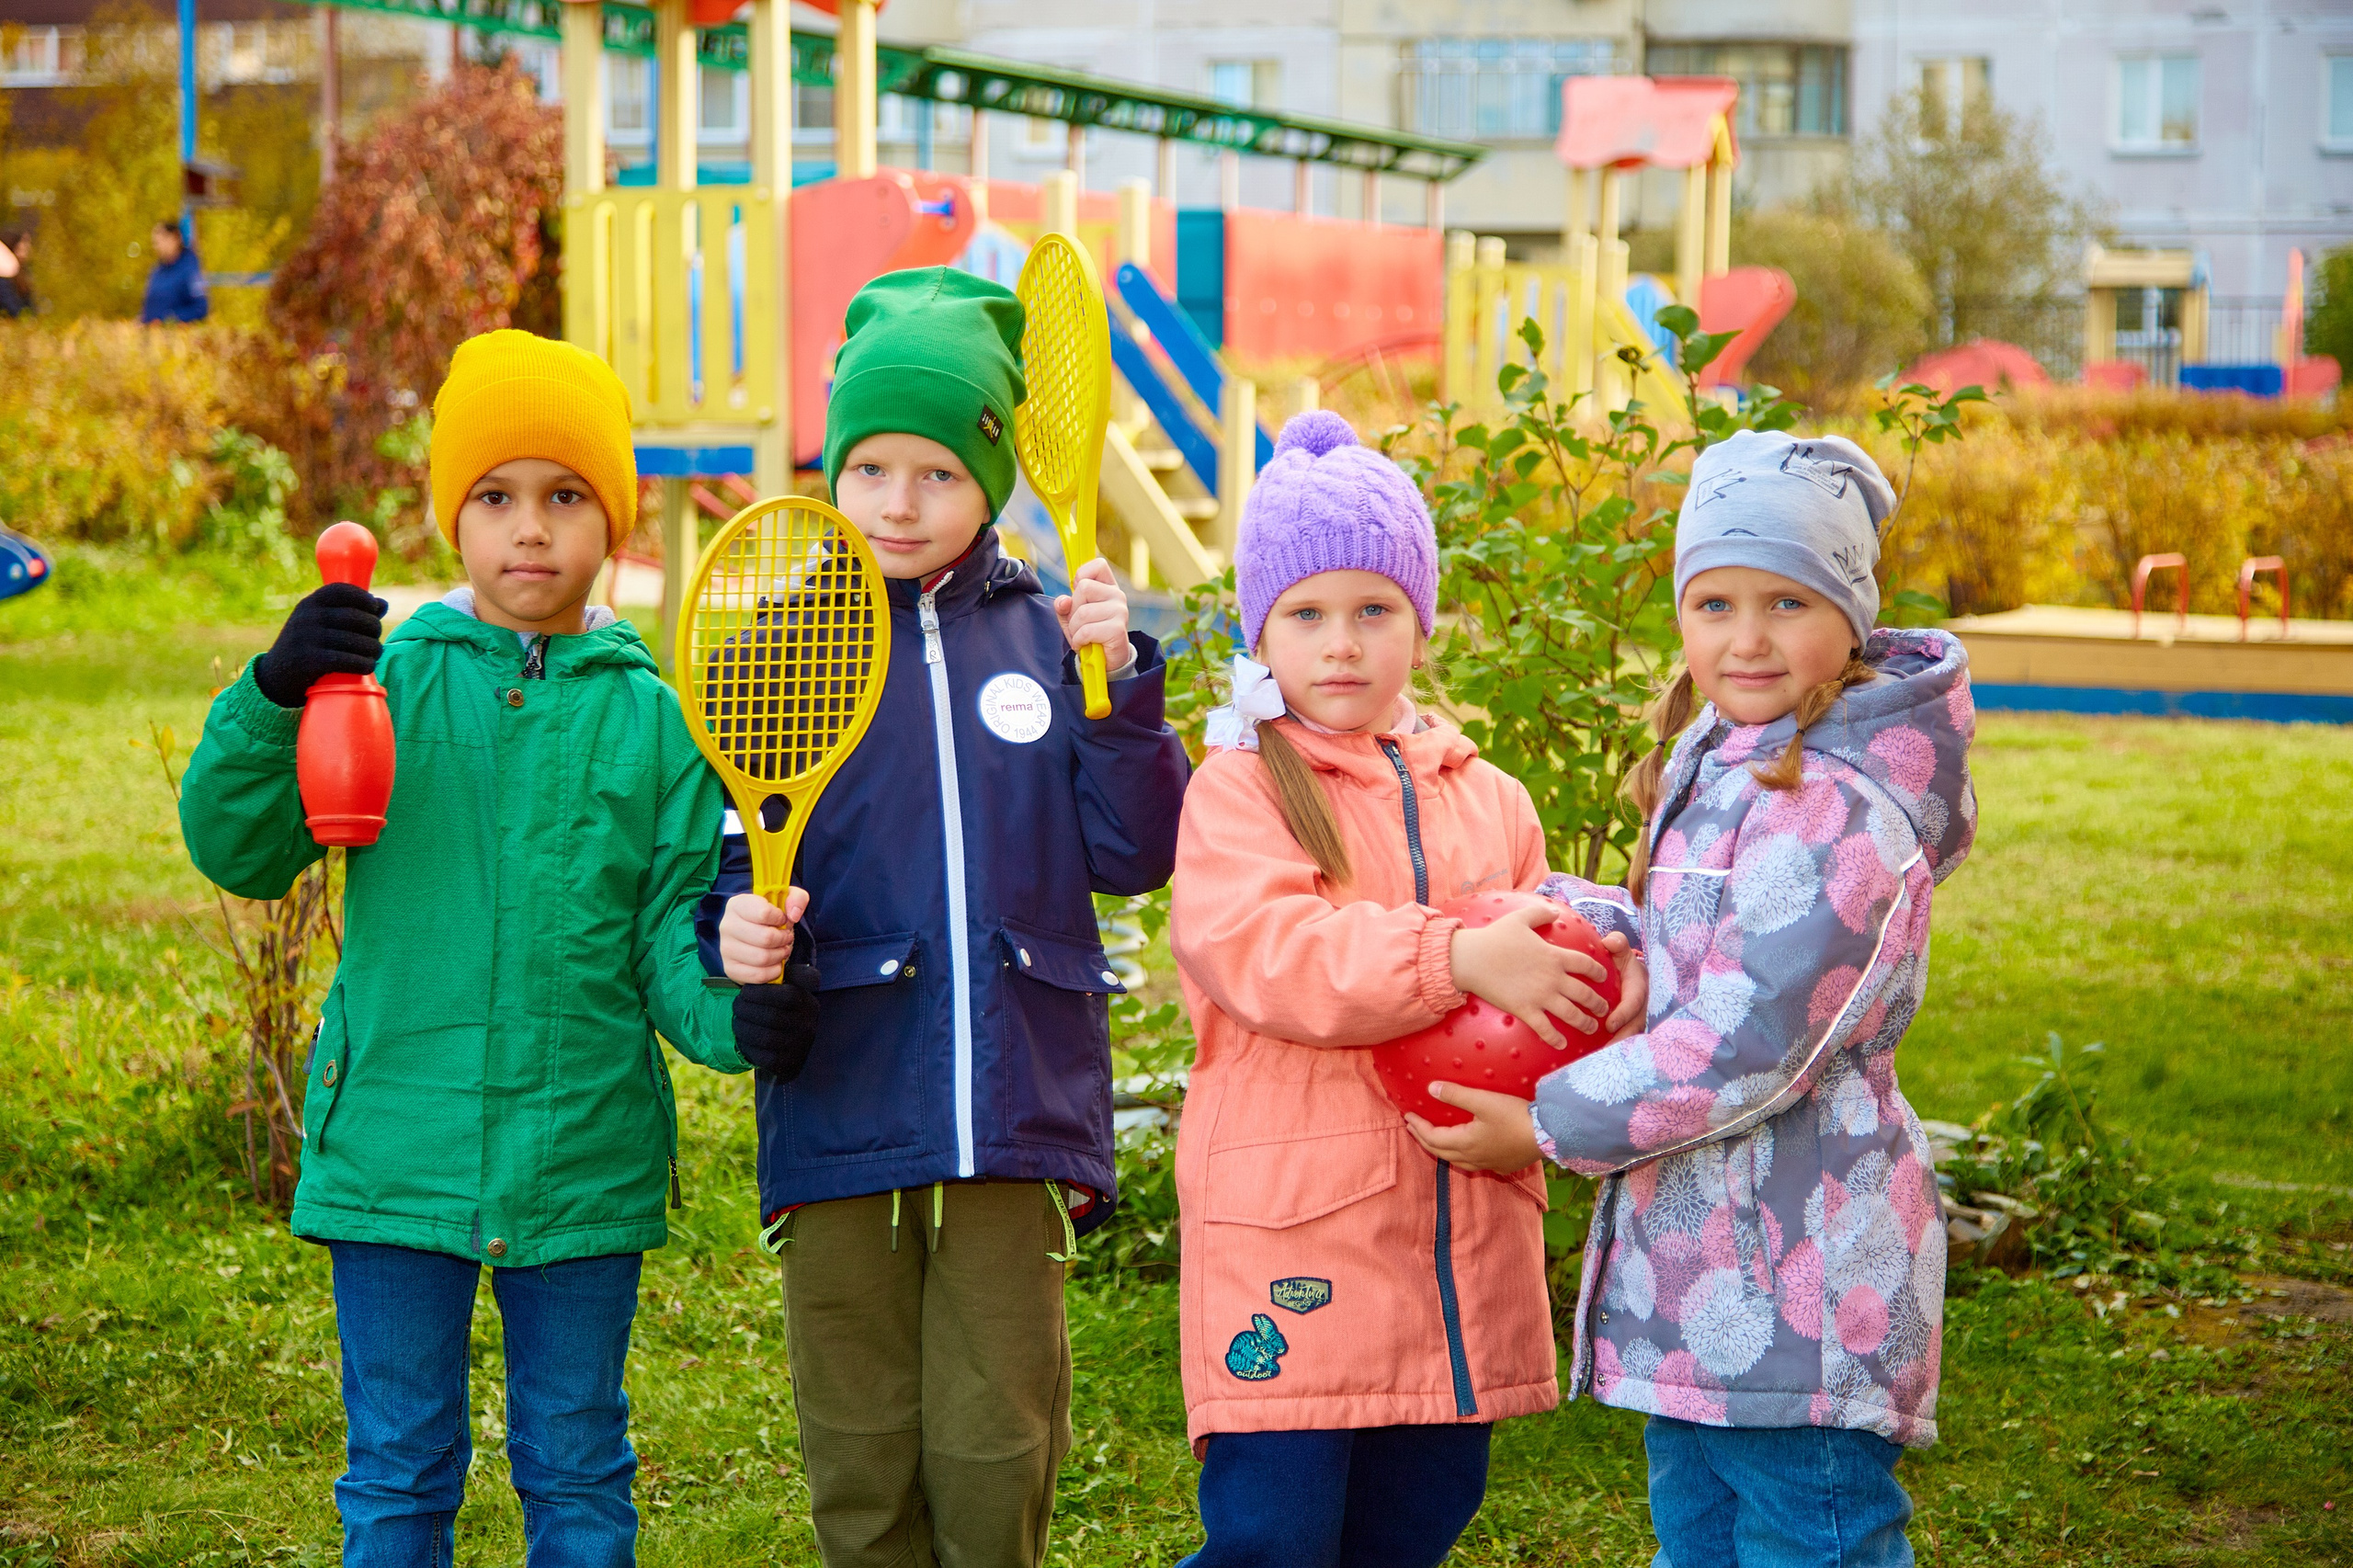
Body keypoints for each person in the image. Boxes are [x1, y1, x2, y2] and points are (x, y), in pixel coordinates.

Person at [176, 330, 802, 1564]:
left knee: (577, 1464)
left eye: (566, 496)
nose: (531, 529)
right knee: (399, 1467)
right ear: (450, 518)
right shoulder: (380, 684)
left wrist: (740, 1005)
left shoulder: (654, 721)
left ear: (613, 520)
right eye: (496, 497)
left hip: (581, 1156)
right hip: (394, 1143)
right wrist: (275, 692)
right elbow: (238, 847)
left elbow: (672, 939)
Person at [1412, 430, 1977, 1568]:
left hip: (1804, 1277)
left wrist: (1548, 1120)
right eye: (1714, 603)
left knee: (1810, 1540)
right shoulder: (1724, 750)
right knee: (1700, 1536)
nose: (1746, 637)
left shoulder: (1837, 805)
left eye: (1786, 602)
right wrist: (1602, 932)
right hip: (1708, 1274)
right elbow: (1694, 927)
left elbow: (1751, 1035)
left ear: (1850, 616)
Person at [704, 267, 1192, 1568]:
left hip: (1015, 1108)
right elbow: (727, 874)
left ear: (993, 480)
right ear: (834, 472)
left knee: (996, 1441)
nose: (900, 503)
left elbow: (1135, 851)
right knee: (859, 1444)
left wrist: (1122, 684)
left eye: (936, 472)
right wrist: (735, 943)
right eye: (870, 469)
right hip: (842, 1101)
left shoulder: (1049, 641)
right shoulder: (777, 652)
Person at [1163, 411, 1647, 1568]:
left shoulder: (1493, 798)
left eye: (1374, 609)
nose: (1342, 643)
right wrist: (1451, 958)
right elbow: (1268, 950)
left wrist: (1603, 988)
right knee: (1275, 1536)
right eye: (1307, 614)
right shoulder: (1240, 789)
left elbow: (1557, 964)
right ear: (1259, 630)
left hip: (1455, 1234)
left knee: (1419, 1513)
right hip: (1298, 1229)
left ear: (1420, 622)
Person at [140, 218, 208, 323]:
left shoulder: (190, 270)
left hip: (175, 331)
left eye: (160, 241)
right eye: (155, 243)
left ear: (175, 238)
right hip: (153, 330)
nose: (157, 247)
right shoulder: (157, 270)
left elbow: (200, 308)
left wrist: (169, 320)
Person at [0, 230, 32, 318]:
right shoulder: (4, 280)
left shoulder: (23, 273)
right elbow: (13, 310)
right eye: (24, 243)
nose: (28, 248)